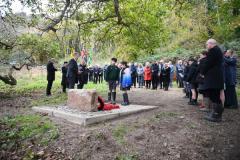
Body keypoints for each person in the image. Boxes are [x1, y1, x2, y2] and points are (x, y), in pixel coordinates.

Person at [201, 39, 224, 122]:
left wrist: (202, 72)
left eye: (207, 44)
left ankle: (216, 115)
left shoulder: (213, 50)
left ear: (211, 44)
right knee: (215, 94)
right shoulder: (217, 50)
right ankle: (215, 113)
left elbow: (208, 63)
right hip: (215, 77)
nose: (206, 46)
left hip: (214, 77)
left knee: (214, 95)